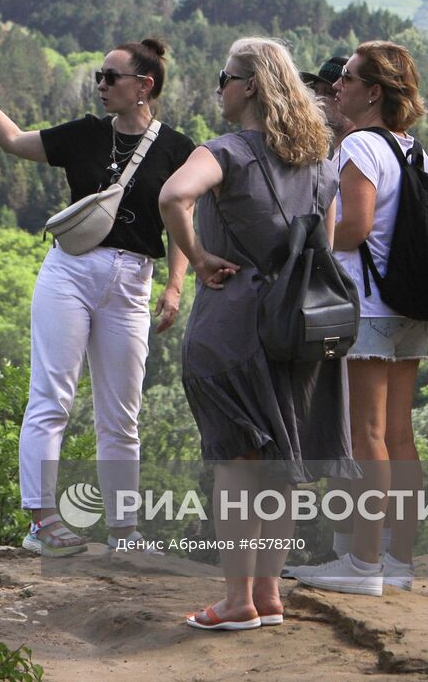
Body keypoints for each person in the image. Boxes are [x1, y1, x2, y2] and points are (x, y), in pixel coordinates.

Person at [0, 39, 195, 556]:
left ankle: (124, 533)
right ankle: (42, 522)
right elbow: (14, 141)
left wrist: (175, 286)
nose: (101, 86)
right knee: (51, 399)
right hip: (69, 272)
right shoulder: (86, 134)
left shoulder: (178, 148)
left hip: (134, 281)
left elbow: (182, 222)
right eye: (99, 77)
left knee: (122, 414)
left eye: (111, 77)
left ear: (143, 86)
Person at [159, 37, 355, 630]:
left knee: (237, 464)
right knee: (282, 462)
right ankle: (269, 594)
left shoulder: (225, 152)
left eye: (224, 77)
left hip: (234, 324)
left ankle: (237, 600)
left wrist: (196, 258)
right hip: (301, 324)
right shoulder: (320, 162)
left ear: (247, 87)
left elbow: (172, 195)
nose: (219, 87)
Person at [286, 41, 428, 597]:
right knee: (400, 434)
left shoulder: (359, 148)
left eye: (346, 79)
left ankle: (362, 564)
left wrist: (307, 245)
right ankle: (398, 560)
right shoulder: (411, 149)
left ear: (373, 92)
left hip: (367, 305)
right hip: (408, 306)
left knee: (365, 433)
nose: (336, 87)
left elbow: (355, 227)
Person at [301, 56, 352, 144]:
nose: (317, 100)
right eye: (316, 91)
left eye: (329, 93)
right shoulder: (333, 149)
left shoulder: (358, 148)